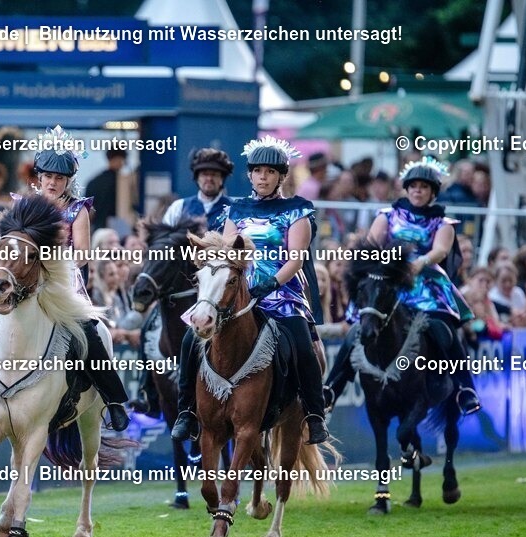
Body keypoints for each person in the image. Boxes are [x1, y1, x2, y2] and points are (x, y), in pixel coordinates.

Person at [0, 129, 130, 437]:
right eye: (48, 175)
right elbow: (4, 241)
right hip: (21, 280)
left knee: (89, 331)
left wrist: (48, 265)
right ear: (39, 176)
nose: (52, 182)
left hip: (62, 283)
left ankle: (114, 400)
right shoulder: (22, 205)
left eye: (59, 178)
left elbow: (82, 256)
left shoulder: (78, 210)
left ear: (68, 180)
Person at [172, 136, 329, 445]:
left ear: (282, 175)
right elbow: (227, 251)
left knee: (301, 343)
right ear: (249, 174)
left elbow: (296, 258)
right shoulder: (236, 210)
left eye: (270, 172)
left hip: (282, 292)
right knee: (192, 336)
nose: (263, 177)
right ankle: (186, 412)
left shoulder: (297, 211)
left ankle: (314, 414)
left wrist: (270, 283)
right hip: (236, 292)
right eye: (257, 171)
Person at [324, 157, 481, 416]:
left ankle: (465, 389)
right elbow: (372, 245)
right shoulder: (387, 215)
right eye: (414, 186)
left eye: (424, 186)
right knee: (356, 332)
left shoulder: (443, 224)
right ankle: (331, 388)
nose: (418, 190)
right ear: (406, 189)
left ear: (432, 192)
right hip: (389, 284)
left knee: (445, 333)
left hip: (426, 287)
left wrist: (420, 262)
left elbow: (440, 250)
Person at [161, 148, 234, 229]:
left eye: (214, 174)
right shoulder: (179, 208)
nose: (209, 178)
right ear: (197, 178)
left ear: (222, 179)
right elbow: (165, 237)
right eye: (204, 174)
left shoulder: (234, 209)